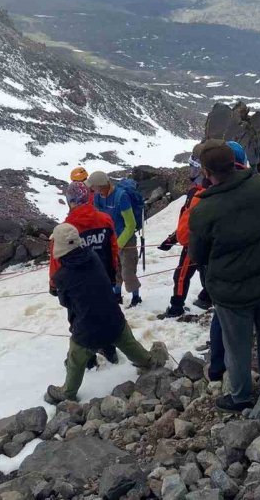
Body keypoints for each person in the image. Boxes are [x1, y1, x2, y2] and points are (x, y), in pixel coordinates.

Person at [188, 141, 260, 412]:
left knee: (238, 346)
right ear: (235, 161)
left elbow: (197, 255)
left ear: (207, 172)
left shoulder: (204, 210)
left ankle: (240, 396)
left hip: (233, 291)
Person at [44, 223, 164, 403]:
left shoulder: (61, 276)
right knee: (128, 343)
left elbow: (65, 302)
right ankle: (148, 362)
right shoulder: (93, 256)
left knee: (76, 358)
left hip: (87, 329)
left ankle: (67, 393)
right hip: (114, 318)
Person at [157, 146, 211, 318]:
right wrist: (172, 239)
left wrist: (178, 238)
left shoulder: (200, 194)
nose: (191, 170)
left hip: (193, 243)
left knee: (181, 275)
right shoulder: (196, 191)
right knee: (204, 272)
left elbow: (189, 224)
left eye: (194, 166)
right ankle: (207, 298)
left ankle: (176, 308)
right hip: (196, 241)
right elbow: (185, 221)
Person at [49, 181, 120, 294]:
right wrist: (113, 272)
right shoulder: (105, 220)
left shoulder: (64, 229)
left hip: (77, 288)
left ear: (70, 200)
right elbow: (113, 249)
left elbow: (57, 260)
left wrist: (53, 285)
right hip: (105, 280)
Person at [87, 171, 142, 307]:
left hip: (126, 239)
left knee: (128, 271)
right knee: (114, 269)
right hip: (110, 238)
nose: (92, 190)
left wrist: (118, 245)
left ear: (100, 186)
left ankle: (136, 298)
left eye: (93, 187)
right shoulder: (98, 197)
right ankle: (117, 295)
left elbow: (131, 225)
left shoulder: (121, 197)